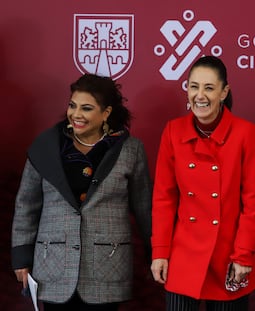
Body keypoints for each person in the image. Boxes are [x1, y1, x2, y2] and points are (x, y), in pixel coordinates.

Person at [11, 73, 152, 310]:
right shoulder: (46, 146)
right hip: (52, 267)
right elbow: (26, 205)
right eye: (72, 105)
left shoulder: (130, 150)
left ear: (106, 113)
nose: (76, 114)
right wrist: (22, 257)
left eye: (86, 108)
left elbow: (144, 208)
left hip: (107, 269)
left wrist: (156, 254)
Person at [150, 55, 255, 311]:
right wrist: (160, 251)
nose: (199, 95)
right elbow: (163, 199)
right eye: (193, 86)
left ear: (224, 92)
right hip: (183, 255)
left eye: (209, 88)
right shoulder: (173, 131)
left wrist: (244, 253)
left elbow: (253, 202)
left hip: (228, 255)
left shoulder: (245, 133)